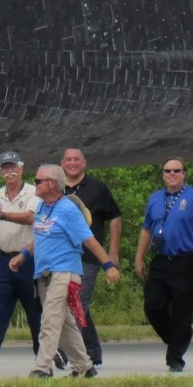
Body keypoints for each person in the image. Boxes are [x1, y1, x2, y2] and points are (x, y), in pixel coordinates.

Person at [9, 164, 120, 379]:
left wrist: (108, 266)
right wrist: (23, 255)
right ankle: (84, 366)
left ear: (52, 184)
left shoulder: (68, 210)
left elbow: (89, 240)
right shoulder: (41, 206)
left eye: (39, 180)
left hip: (64, 272)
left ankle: (42, 367)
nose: (35, 183)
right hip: (44, 274)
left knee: (50, 319)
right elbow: (41, 237)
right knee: (67, 324)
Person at [0, 151, 43, 378]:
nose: (9, 171)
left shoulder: (34, 192)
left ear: (21, 168)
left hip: (29, 259)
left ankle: (44, 362)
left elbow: (30, 218)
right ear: (0, 171)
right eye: (4, 167)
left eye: (13, 166)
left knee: (36, 312)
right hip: (3, 259)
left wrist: (0, 214)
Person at [134, 156, 193, 373]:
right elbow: (147, 229)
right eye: (167, 171)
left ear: (184, 173)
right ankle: (177, 338)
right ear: (163, 174)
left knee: (182, 311)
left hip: (185, 259)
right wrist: (139, 257)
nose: (172, 174)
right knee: (152, 305)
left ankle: (175, 358)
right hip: (161, 259)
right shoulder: (156, 198)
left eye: (176, 171)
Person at [61, 147, 122, 368]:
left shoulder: (97, 187)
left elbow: (115, 219)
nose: (72, 163)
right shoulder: (55, 188)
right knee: (73, 304)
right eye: (68, 159)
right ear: (62, 163)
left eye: (77, 159)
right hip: (61, 257)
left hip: (88, 256)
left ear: (84, 163)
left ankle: (66, 353)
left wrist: (112, 254)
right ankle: (93, 352)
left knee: (77, 303)